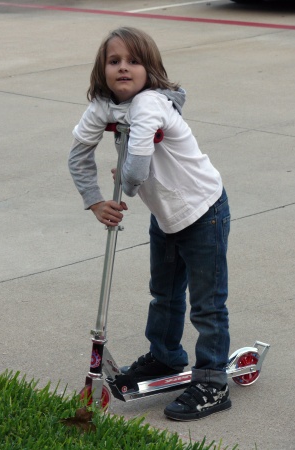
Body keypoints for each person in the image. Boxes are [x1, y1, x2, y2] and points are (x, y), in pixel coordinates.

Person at [68, 26, 231, 421]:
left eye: (133, 61)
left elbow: (138, 165)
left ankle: (212, 380)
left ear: (150, 68)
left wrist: (123, 180)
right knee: (164, 294)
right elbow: (78, 155)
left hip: (202, 210)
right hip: (167, 215)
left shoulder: (151, 104)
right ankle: (166, 357)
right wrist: (94, 201)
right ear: (101, 69)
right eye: (114, 61)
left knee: (207, 304)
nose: (123, 68)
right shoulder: (103, 107)